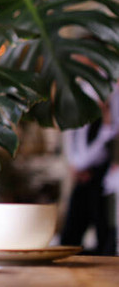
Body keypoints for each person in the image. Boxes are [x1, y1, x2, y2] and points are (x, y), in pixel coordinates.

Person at [60, 81, 119, 255]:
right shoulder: (82, 121)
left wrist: (107, 125)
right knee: (71, 233)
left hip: (101, 178)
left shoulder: (105, 121)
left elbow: (101, 146)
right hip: (83, 178)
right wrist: (75, 166)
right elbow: (76, 150)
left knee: (105, 233)